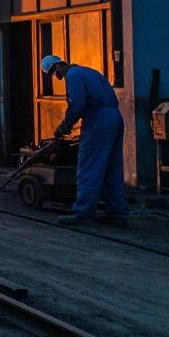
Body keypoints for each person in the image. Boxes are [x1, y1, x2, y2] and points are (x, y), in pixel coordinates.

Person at [41, 55, 129, 226]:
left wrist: (64, 126)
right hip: (115, 117)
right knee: (111, 168)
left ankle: (83, 213)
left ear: (57, 68)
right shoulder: (90, 72)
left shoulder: (72, 76)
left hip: (98, 119)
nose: (57, 77)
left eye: (55, 74)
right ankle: (118, 213)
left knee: (89, 166)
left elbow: (77, 106)